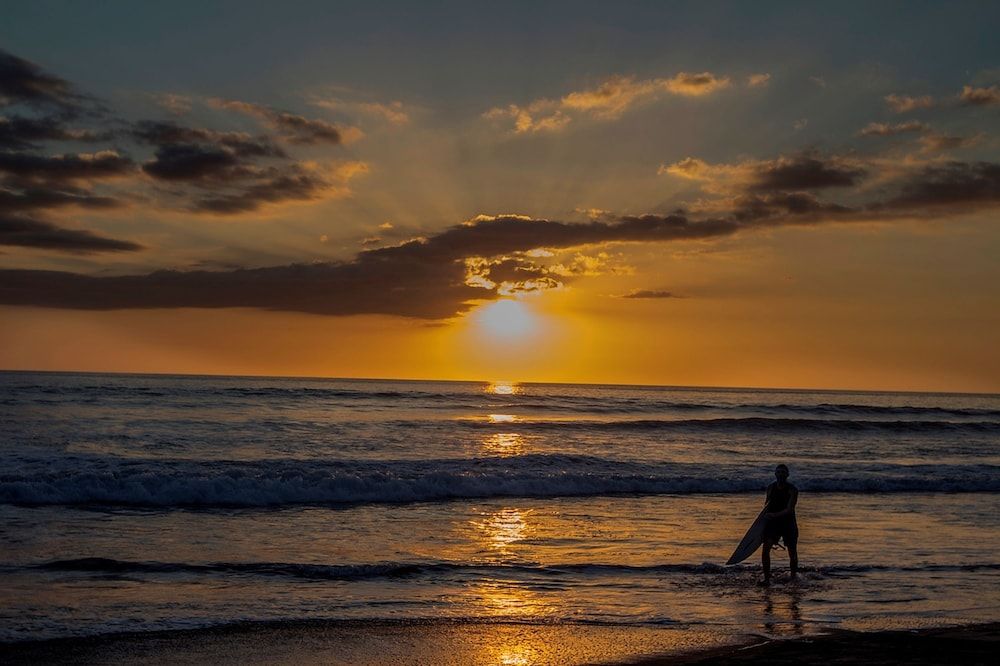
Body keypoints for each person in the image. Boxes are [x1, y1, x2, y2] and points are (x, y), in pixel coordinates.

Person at [761, 463, 798, 585]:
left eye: (783, 472)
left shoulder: (793, 490)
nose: (781, 474)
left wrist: (774, 515)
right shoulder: (770, 488)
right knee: (765, 549)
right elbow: (766, 506)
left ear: (787, 475)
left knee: (792, 552)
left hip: (788, 523)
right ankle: (767, 579)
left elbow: (789, 509)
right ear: (775, 474)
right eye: (779, 472)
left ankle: (793, 578)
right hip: (773, 523)